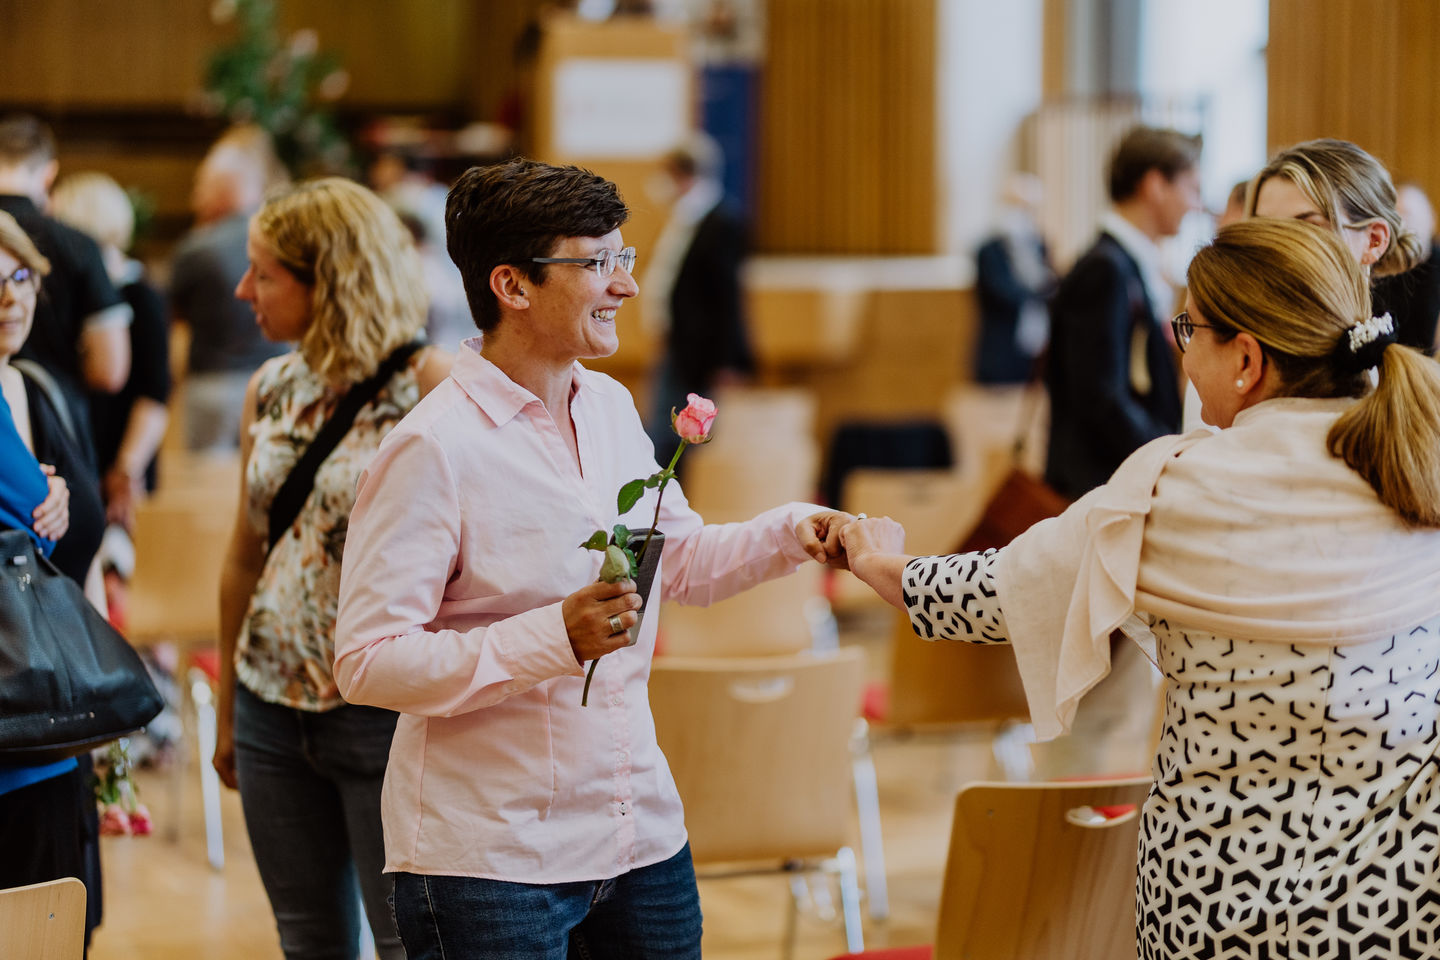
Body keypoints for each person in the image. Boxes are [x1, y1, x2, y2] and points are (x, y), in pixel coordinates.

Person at [842, 218, 1440, 959]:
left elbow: (990, 592)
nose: (1180, 356)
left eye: (1188, 332)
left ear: (1246, 359)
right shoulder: (1417, 466)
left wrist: (879, 562)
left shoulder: (1171, 488)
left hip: (1219, 900)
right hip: (1401, 896)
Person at [332, 158, 851, 960]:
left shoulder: (609, 408)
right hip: (492, 861)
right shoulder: (432, 448)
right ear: (513, 286)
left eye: (626, 259)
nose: (627, 287)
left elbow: (672, 564)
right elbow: (367, 663)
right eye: (598, 263)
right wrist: (553, 639)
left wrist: (796, 530)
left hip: (637, 834)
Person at [215, 178, 452, 960]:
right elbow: (247, 552)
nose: (242, 289)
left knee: (405, 941)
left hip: (380, 715)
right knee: (308, 938)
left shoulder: (432, 390)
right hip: (268, 703)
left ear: (331, 283)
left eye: (265, 274)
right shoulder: (271, 388)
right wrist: (225, 711)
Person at [0, 209, 109, 946]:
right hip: (17, 735)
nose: (10, 297)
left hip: (44, 701)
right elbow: (33, 508)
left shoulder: (36, 386)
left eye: (18, 277)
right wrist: (40, 496)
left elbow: (53, 516)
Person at [1044, 125, 1202, 501]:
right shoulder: (1107, 268)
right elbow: (1102, 395)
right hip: (1097, 483)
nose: (1195, 204)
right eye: (1191, 189)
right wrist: (1165, 457)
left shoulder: (1125, 262)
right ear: (1155, 185)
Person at [0, 114, 131, 470]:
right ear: (48, 173)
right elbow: (109, 368)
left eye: (23, 277)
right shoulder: (76, 245)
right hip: (54, 425)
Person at [50, 171, 171, 532]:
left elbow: (154, 392)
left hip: (122, 456)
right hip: (83, 452)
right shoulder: (75, 295)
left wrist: (126, 468)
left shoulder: (139, 294)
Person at [170, 124, 289, 452]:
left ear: (220, 189)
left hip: (214, 387)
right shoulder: (287, 239)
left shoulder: (196, 247)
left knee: (208, 484)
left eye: (201, 186)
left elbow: (171, 316)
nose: (196, 197)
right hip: (277, 377)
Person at [641, 132, 754, 468]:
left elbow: (726, 296)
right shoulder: (686, 217)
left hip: (699, 350)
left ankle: (661, 506)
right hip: (678, 341)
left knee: (670, 431)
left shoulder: (721, 221)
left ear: (682, 173)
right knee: (663, 425)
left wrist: (728, 359)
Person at [973, 172, 1056, 383]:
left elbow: (1051, 284)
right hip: (1001, 354)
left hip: (1036, 348)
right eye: (1017, 206)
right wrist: (1039, 292)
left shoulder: (1039, 246)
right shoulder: (989, 250)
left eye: (1028, 208)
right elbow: (1002, 292)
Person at [1374, 182, 1440, 354]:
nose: (1405, 223)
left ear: (1432, 219)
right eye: (1399, 215)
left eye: (1412, 214)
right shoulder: (1380, 270)